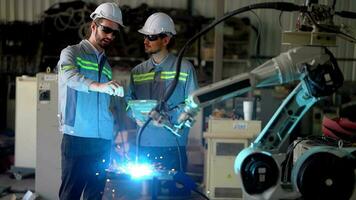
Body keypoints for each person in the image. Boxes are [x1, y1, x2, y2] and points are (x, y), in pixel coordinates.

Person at [56, 2, 125, 200]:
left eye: (114, 32)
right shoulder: (71, 53)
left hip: (102, 140)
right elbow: (70, 78)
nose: (110, 36)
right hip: (76, 136)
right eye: (106, 29)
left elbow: (108, 105)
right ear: (94, 25)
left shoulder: (107, 66)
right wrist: (99, 86)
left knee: (95, 196)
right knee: (71, 195)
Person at [126, 12, 199, 195]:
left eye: (151, 37)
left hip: (172, 146)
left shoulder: (185, 69)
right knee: (145, 195)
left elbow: (193, 104)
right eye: (145, 37)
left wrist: (168, 117)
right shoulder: (137, 72)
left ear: (166, 39)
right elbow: (128, 103)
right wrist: (136, 115)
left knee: (175, 196)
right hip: (145, 146)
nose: (145, 41)